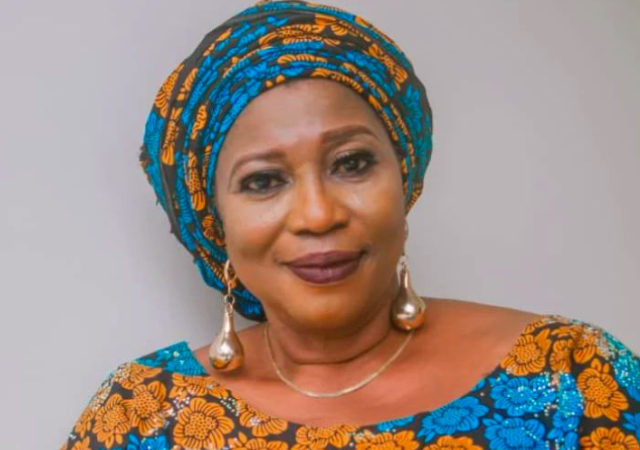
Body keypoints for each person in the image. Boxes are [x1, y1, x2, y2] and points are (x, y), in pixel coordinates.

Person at [59, 1, 640, 449]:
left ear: (404, 180)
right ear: (214, 222)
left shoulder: (571, 378)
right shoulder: (142, 415)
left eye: (352, 163)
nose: (318, 214)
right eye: (263, 180)